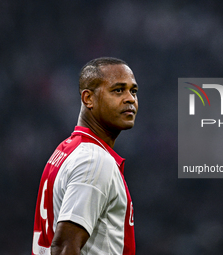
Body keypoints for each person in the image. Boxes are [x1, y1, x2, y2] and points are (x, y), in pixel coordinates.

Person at [32, 57, 138, 255]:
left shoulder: (66, 150)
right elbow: (64, 247)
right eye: (118, 90)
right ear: (88, 98)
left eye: (133, 91)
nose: (130, 98)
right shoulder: (94, 161)